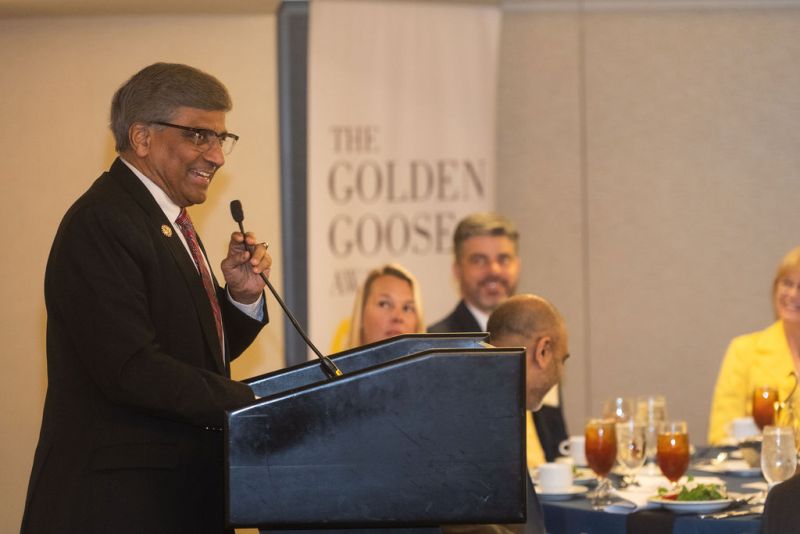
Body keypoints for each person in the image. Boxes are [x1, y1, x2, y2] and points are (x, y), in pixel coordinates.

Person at [21, 63, 271, 534]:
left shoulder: (164, 222)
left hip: (173, 501)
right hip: (120, 508)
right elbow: (132, 369)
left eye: (221, 139)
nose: (217, 156)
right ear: (141, 138)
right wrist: (255, 402)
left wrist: (237, 299)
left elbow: (188, 355)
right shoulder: (102, 221)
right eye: (200, 136)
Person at [428, 213, 568, 466]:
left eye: (503, 259)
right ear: (457, 270)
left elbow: (555, 436)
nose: (493, 270)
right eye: (479, 260)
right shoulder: (436, 347)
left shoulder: (542, 333)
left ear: (518, 265)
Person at [443, 294, 570, 534]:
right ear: (543, 351)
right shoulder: (486, 424)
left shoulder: (477, 404)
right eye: (562, 360)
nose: (561, 374)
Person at [708, 246, 800, 444]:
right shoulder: (744, 350)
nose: (792, 294)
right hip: (756, 471)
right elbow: (721, 435)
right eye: (787, 283)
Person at [333, 263, 425, 351]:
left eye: (407, 308)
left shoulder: (436, 367)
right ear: (361, 315)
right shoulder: (336, 367)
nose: (398, 317)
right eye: (384, 304)